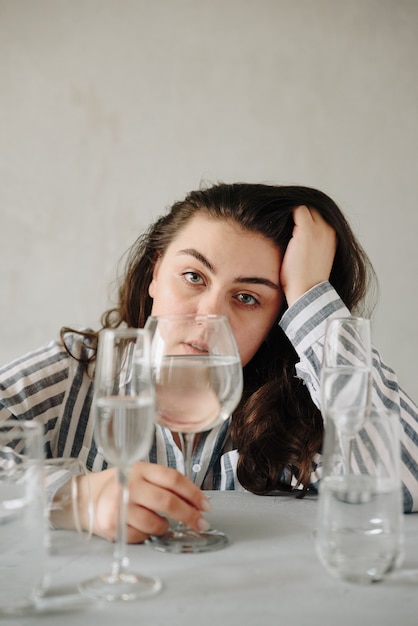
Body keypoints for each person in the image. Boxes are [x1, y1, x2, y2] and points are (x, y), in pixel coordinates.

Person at [1, 182, 417, 543]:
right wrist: (71, 499)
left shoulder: (301, 408)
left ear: (278, 319)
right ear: (155, 272)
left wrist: (311, 294)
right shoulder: (76, 371)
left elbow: (403, 480)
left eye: (248, 298)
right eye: (194, 276)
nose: (208, 316)